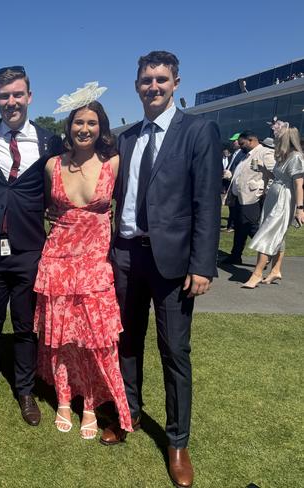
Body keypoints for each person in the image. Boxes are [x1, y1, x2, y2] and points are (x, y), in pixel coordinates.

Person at [103, 51, 220, 488]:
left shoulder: (197, 130)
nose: (153, 86)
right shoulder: (128, 137)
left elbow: (207, 202)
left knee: (175, 352)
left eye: (161, 79)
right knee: (127, 343)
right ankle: (129, 414)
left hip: (172, 263)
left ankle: (177, 441)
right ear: (136, 84)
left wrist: (203, 264)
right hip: (128, 257)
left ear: (175, 83)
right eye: (146, 80)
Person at [34, 84, 132, 440]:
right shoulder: (52, 165)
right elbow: (47, 209)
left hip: (94, 266)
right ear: (69, 127)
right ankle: (63, 398)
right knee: (60, 340)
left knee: (94, 339)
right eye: (78, 122)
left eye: (91, 123)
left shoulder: (113, 164)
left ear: (101, 127)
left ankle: (90, 402)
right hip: (57, 262)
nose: (84, 129)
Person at [0, 66, 63, 425]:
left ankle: (25, 390)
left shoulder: (49, 141)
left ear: (29, 97)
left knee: (25, 326)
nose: (11, 102)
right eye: (5, 96)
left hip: (28, 249)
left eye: (17, 94)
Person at [242, 123, 304, 288]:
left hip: (284, 199)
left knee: (268, 233)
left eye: (277, 139)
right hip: (273, 197)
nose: (275, 141)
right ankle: (276, 269)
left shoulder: (296, 157)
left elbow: (299, 185)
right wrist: (263, 170)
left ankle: (257, 273)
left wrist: (300, 208)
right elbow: (276, 176)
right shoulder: (283, 156)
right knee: (277, 235)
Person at [221, 130, 275, 265]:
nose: (240, 146)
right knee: (240, 228)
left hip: (253, 197)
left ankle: (267, 254)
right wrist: (231, 176)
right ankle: (235, 255)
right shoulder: (246, 155)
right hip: (240, 197)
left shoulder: (265, 153)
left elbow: (274, 175)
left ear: (251, 140)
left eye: (242, 143)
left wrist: (264, 191)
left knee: (252, 226)